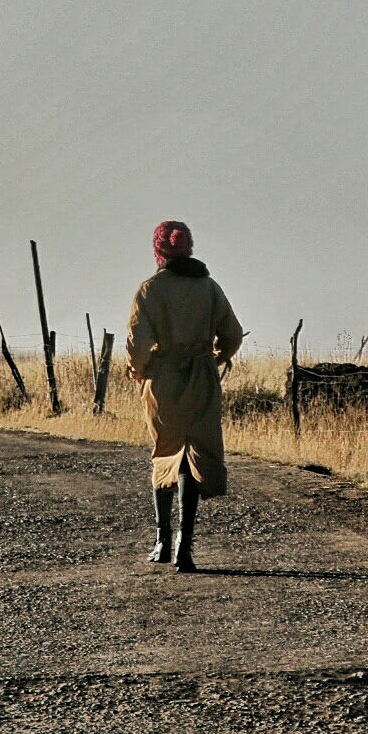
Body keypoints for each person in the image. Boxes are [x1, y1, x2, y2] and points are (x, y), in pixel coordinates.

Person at [125, 220, 244, 572]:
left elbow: (137, 342)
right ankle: (184, 546)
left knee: (165, 450)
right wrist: (218, 357)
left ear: (158, 250)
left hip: (162, 378)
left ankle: (162, 540)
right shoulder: (209, 287)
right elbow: (233, 333)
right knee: (194, 453)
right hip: (201, 374)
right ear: (189, 248)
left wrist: (139, 371)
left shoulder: (149, 290)